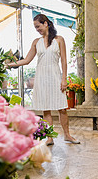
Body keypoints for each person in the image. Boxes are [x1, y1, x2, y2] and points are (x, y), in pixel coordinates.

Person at [7, 13, 80, 145]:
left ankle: (67, 135)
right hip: (41, 77)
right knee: (46, 109)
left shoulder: (59, 39)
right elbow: (27, 60)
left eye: (38, 26)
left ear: (46, 23)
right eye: (35, 28)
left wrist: (64, 79)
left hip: (55, 76)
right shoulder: (36, 42)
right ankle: (49, 137)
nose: (37, 30)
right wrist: (9, 65)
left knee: (62, 108)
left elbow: (64, 60)